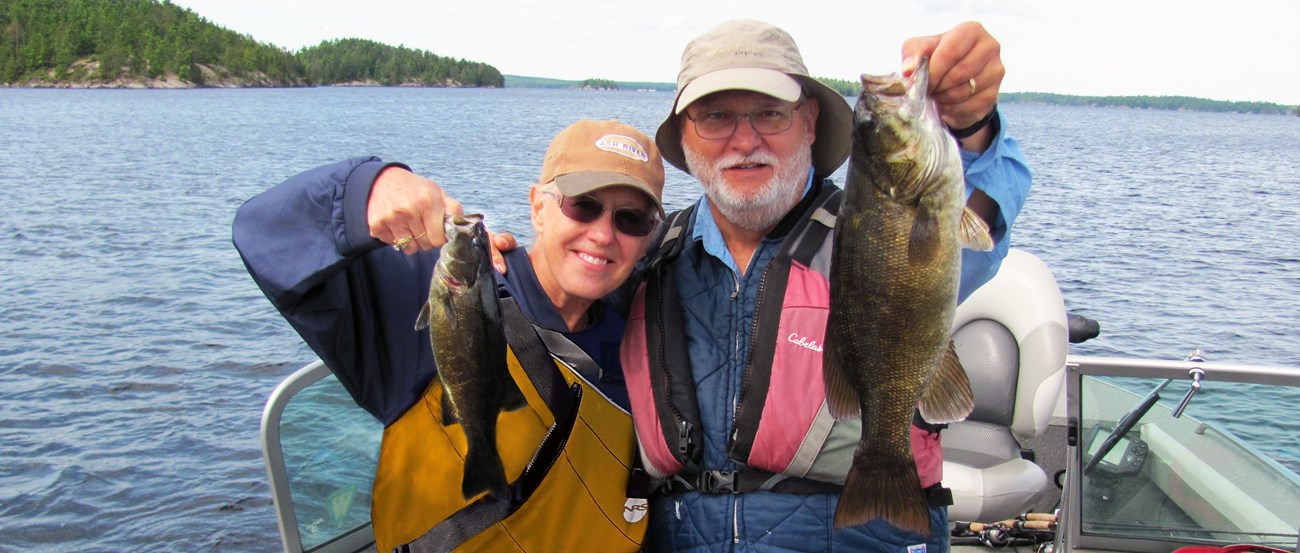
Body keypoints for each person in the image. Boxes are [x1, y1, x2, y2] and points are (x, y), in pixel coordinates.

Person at [617, 19, 1032, 552]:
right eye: (716, 117)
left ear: (810, 121)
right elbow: (555, 305)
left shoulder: (880, 227)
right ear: (685, 136)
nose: (745, 140)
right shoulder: (645, 256)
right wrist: (483, 274)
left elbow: (983, 207)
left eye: (770, 113)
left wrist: (974, 125)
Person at [232, 119, 665, 552]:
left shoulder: (643, 342)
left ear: (648, 238)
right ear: (537, 207)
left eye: (632, 219)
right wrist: (367, 188)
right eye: (583, 206)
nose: (604, 234)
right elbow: (263, 235)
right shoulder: (431, 289)